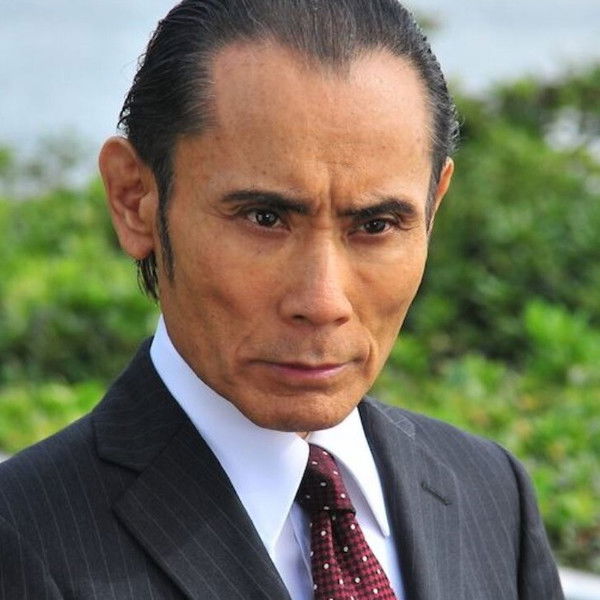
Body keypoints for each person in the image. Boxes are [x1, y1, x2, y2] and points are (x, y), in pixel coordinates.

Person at [0, 1, 564, 598]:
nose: (322, 301)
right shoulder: (23, 538)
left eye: (375, 226)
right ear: (134, 199)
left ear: (433, 208)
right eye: (264, 218)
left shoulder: (490, 493)